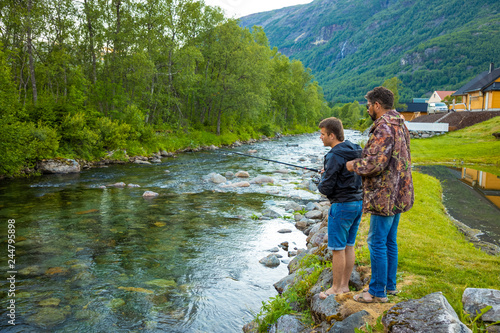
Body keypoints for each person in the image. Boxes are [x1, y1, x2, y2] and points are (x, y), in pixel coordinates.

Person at [346, 86, 414, 303]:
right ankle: (390, 286)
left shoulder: (384, 127)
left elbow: (376, 163)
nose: (367, 109)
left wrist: (352, 165)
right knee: (389, 241)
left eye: (368, 105)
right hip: (399, 193)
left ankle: (376, 292)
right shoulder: (401, 124)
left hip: (385, 195)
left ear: (377, 105)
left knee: (376, 242)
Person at [316, 117, 363, 299]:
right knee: (349, 246)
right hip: (357, 203)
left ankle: (335, 288)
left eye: (322, 134)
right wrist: (327, 173)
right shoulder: (354, 149)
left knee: (337, 249)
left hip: (342, 206)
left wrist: (322, 180)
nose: (320, 137)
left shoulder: (334, 155)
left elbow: (326, 188)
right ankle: (344, 286)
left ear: (332, 135)